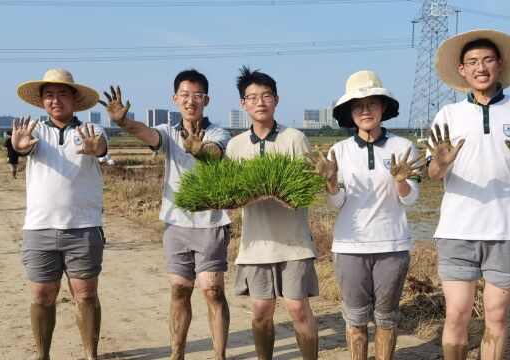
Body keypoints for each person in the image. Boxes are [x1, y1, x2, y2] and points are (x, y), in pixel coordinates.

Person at [427, 30, 510, 360]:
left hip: (507, 228)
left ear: (500, 64)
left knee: (496, 315)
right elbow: (431, 173)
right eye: (472, 62)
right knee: (457, 314)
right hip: (457, 229)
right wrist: (439, 162)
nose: (480, 67)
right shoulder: (448, 116)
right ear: (462, 69)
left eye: (487, 60)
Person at [98, 69, 232, 360]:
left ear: (206, 99)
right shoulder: (168, 132)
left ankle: (219, 355)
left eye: (197, 94)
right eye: (185, 94)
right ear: (175, 99)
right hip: (176, 223)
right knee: (179, 289)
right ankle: (177, 353)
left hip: (212, 222)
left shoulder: (218, 132)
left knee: (212, 290)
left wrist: (200, 150)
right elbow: (144, 133)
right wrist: (122, 121)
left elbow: (216, 152)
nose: (191, 100)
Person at [306, 70, 422, 359]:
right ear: (350, 112)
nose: (365, 110)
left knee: (386, 319)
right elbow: (337, 202)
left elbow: (411, 200)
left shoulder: (403, 148)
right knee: (355, 321)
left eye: (372, 103)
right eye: (358, 106)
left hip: (391, 247)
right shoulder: (339, 151)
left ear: (383, 107)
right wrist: (331, 183)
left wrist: (400, 181)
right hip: (349, 247)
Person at [225, 66, 319, 360]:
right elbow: (227, 197)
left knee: (297, 307)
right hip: (255, 245)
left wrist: (281, 189)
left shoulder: (294, 138)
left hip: (293, 241)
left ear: (276, 100)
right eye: (252, 97)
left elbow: (308, 188)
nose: (260, 102)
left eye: (266, 96)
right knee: (260, 310)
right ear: (244, 104)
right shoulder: (236, 146)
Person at [15, 68, 107, 360]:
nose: (56, 101)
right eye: (49, 96)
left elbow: (101, 148)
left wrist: (96, 148)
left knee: (86, 294)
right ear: (42, 101)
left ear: (74, 99)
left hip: (83, 226)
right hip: (39, 227)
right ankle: (42, 354)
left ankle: (90, 354)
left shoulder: (92, 130)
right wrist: (18, 147)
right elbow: (20, 147)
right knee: (42, 295)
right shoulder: (35, 132)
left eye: (62, 94)